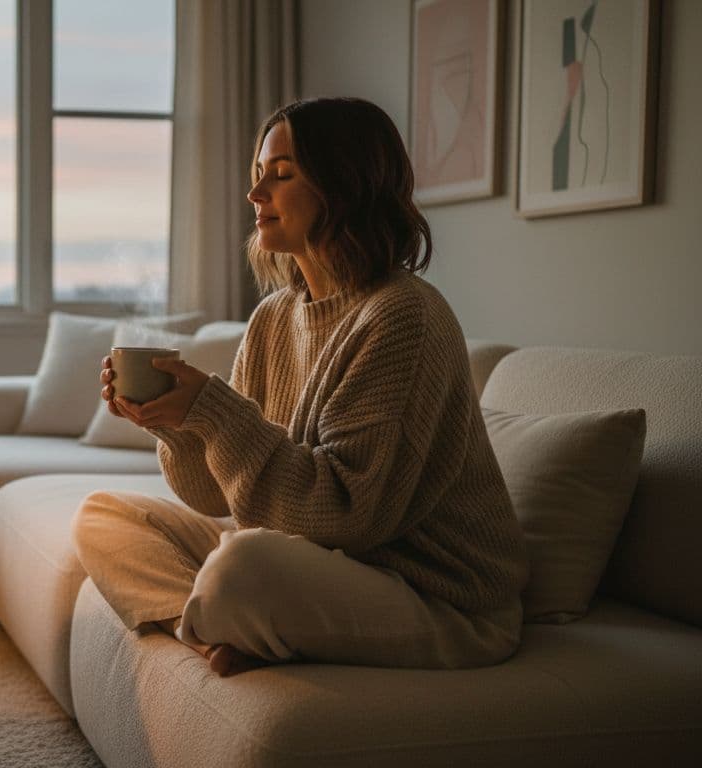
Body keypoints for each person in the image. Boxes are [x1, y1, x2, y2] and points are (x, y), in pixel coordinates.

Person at [76, 97, 528, 676]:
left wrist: (213, 413)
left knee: (244, 567)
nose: (256, 194)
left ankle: (223, 611)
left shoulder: (402, 317)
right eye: (258, 174)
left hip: (433, 596)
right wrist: (179, 424)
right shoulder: (272, 318)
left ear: (345, 187)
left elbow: (346, 517)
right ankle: (208, 634)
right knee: (104, 514)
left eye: (282, 175)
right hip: (317, 558)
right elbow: (217, 497)